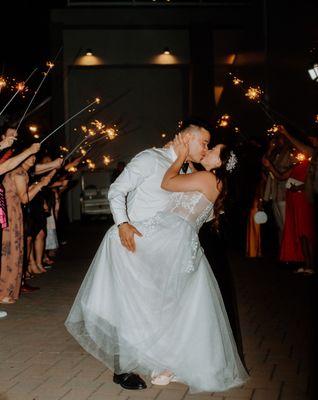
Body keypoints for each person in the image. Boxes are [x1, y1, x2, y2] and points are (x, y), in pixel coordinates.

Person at [65, 122, 248, 393]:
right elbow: (117, 191)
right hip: (137, 241)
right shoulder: (149, 159)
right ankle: (122, 368)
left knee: (156, 307)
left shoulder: (188, 170)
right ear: (187, 139)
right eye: (204, 143)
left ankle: (156, 361)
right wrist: (122, 224)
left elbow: (190, 201)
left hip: (165, 246)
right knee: (126, 303)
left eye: (210, 147)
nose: (206, 148)